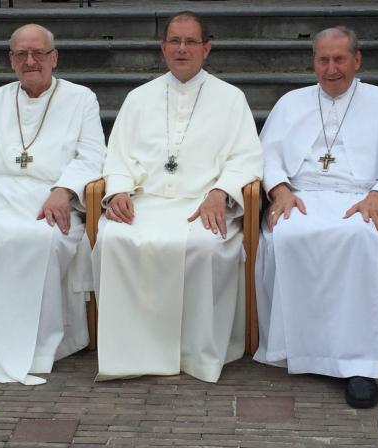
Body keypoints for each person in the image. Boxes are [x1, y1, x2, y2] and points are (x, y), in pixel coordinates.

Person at [253, 26, 378, 407]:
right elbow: (266, 155)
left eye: (339, 59)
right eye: (323, 60)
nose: (331, 69)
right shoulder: (291, 103)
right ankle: (300, 350)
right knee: (287, 235)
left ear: (357, 59)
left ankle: (359, 365)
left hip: (360, 197)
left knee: (357, 237)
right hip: (301, 196)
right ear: (313, 62)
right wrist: (279, 189)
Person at [91, 11, 263, 383]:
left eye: (190, 42)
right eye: (174, 41)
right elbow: (116, 154)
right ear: (163, 47)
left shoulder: (231, 99)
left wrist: (220, 193)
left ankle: (193, 352)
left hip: (202, 205)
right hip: (146, 201)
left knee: (205, 246)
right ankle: (132, 352)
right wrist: (118, 189)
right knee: (114, 238)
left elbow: (247, 157)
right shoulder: (139, 98)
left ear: (207, 48)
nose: (182, 49)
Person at [0, 24, 106, 385]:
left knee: (43, 239)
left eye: (38, 54)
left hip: (48, 199)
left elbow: (93, 155)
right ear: (11, 60)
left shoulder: (82, 99)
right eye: (21, 54)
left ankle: (37, 345)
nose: (30, 61)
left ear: (54, 57)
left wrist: (64, 190)